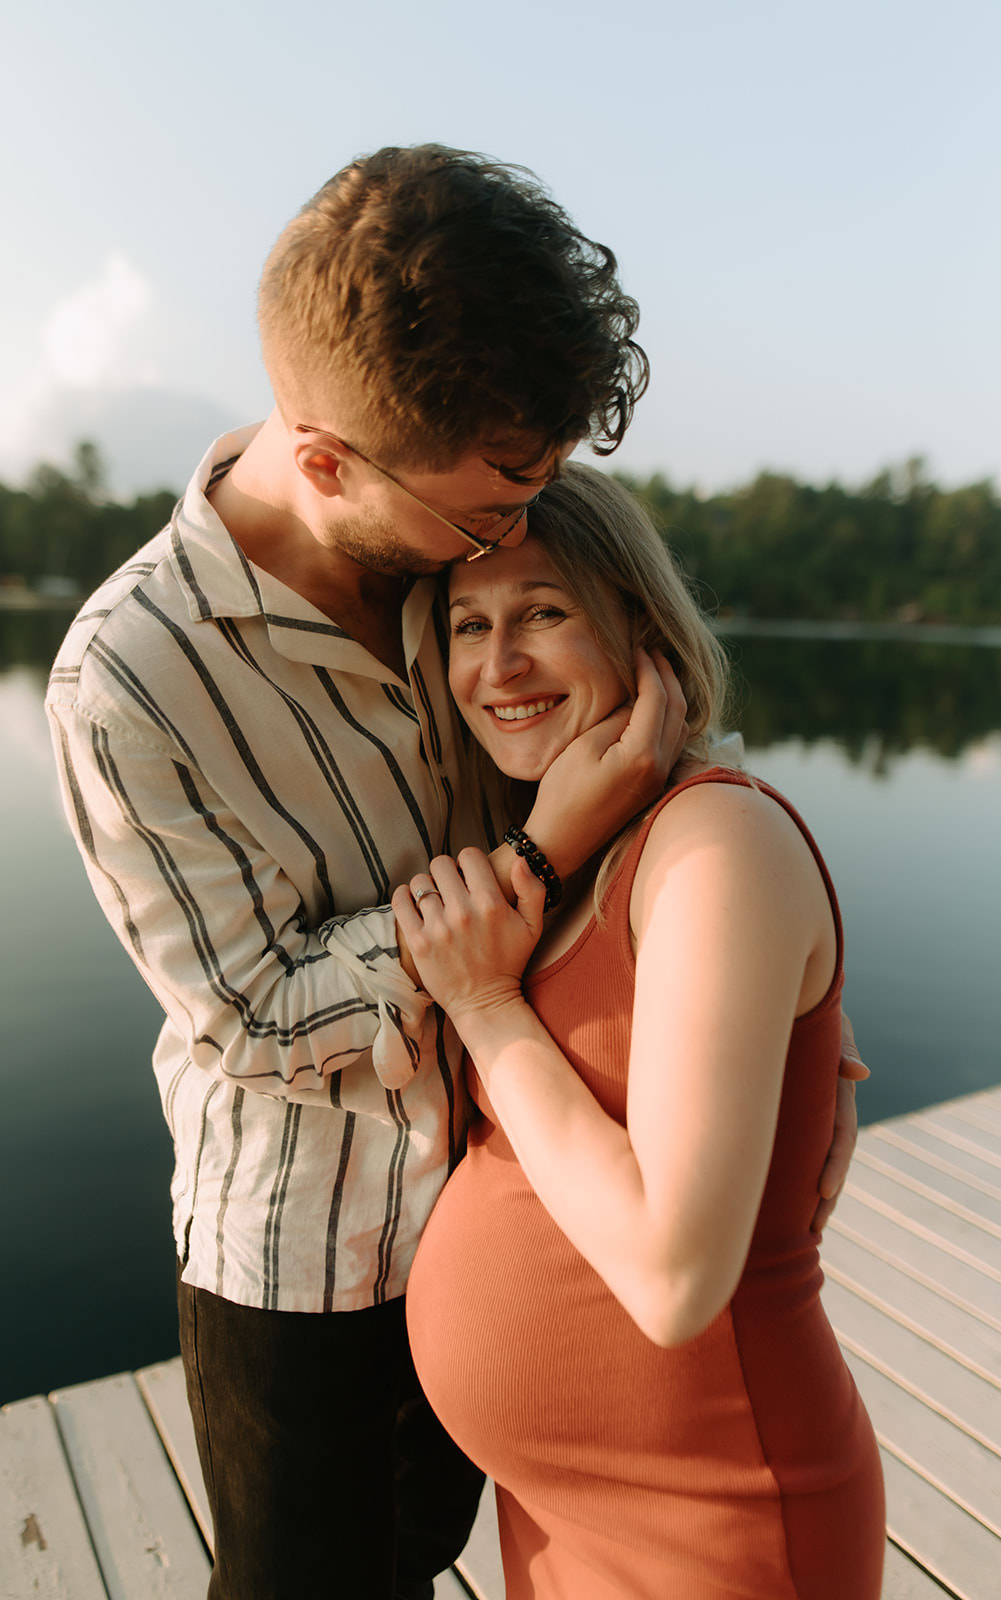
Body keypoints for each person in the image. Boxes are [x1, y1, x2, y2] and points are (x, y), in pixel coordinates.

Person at [45, 146, 861, 1599]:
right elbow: (252, 1019)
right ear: (323, 465)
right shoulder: (129, 686)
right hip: (309, 1270)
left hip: (521, 1252)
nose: (506, 539)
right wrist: (535, 865)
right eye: (484, 520)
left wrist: (799, 1041)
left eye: (535, 499)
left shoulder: (446, 535)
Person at [396, 464, 885, 1600]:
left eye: (544, 613)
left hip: (718, 1521)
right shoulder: (562, 852)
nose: (498, 664)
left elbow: (674, 1274)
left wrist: (482, 1005)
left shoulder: (715, 842)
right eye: (470, 624)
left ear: (643, 630)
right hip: (563, 1511)